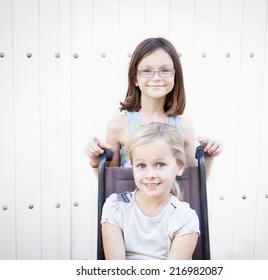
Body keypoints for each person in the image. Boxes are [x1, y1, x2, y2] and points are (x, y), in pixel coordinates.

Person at [85, 37, 221, 177]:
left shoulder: (184, 127)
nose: (156, 77)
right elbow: (110, 185)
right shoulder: (118, 126)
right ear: (135, 78)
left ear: (175, 75)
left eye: (165, 70)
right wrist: (95, 160)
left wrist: (209, 157)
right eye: (146, 71)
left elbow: (193, 185)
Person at [101, 122, 200, 260]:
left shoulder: (184, 218)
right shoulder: (116, 207)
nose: (150, 174)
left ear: (179, 167)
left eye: (160, 164)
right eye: (141, 165)